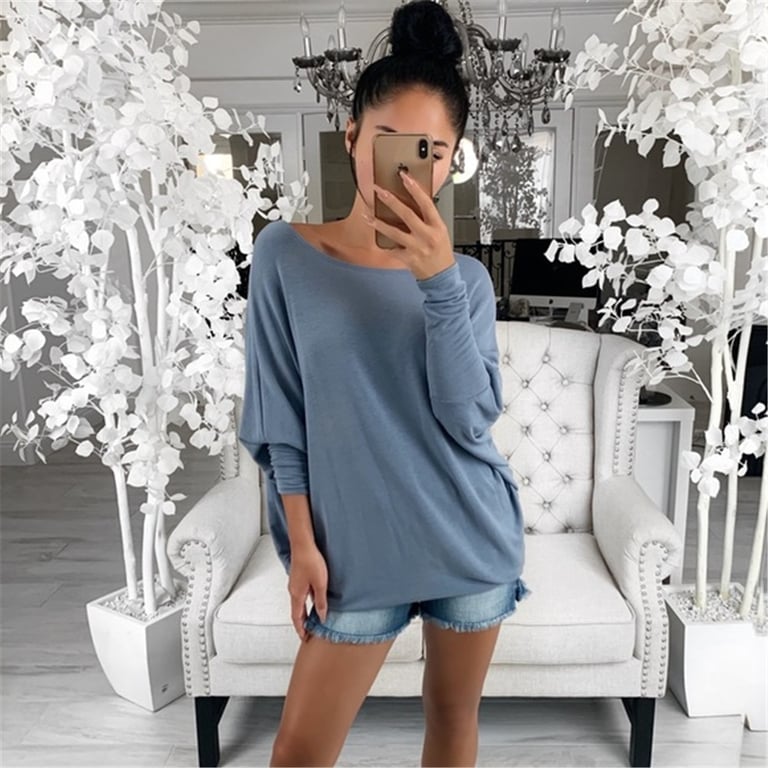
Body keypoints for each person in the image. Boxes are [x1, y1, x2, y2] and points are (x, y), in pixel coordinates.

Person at [239, 2, 531, 765]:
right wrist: (303, 546)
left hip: (468, 537)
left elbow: (469, 418)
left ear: (452, 159)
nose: (409, 166)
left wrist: (436, 282)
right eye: (391, 141)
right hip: (352, 556)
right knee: (299, 752)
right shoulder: (284, 255)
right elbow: (280, 418)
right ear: (352, 138)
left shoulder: (465, 281)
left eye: (432, 149)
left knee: (452, 722)